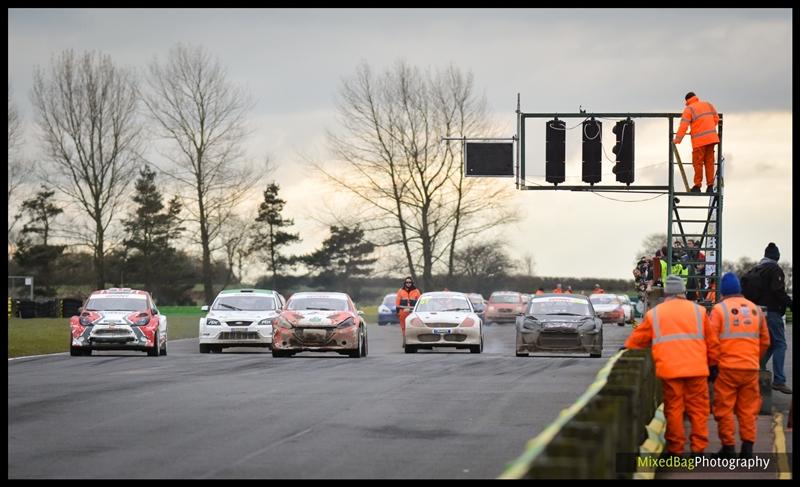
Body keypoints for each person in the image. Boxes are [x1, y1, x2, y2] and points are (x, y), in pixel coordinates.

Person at [624, 275, 720, 457]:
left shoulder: (655, 314)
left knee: (674, 409)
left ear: (666, 292)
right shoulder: (699, 312)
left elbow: (636, 342)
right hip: (697, 369)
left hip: (670, 370)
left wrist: (626, 350)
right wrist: (714, 365)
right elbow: (713, 342)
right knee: (698, 409)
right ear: (683, 291)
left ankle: (676, 450)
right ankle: (698, 449)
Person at [710, 272, 770, 459]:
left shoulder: (719, 310)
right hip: (750, 368)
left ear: (723, 292)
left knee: (725, 408)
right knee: (748, 409)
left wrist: (713, 365)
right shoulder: (755, 310)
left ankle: (728, 447)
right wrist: (754, 359)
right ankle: (748, 447)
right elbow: (765, 341)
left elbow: (712, 341)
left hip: (727, 368)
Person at [752, 243, 793, 394]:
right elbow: (778, 291)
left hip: (758, 312)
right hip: (773, 313)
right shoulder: (775, 269)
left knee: (768, 343)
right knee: (780, 344)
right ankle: (779, 381)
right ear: (776, 256)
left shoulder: (757, 269)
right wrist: (790, 304)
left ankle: (756, 368)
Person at [673, 92, 720, 193]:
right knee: (709, 163)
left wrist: (677, 139)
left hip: (699, 141)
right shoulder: (708, 104)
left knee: (698, 163)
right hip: (712, 138)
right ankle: (710, 187)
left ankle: (697, 186)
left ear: (687, 101)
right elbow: (716, 119)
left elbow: (683, 126)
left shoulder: (689, 109)